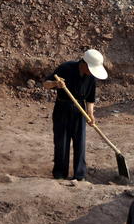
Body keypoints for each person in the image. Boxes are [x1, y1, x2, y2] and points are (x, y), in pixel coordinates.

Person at [43, 49, 108, 181]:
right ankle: (60, 174)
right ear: (84, 64)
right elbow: (45, 84)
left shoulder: (91, 77)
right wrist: (56, 84)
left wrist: (90, 114)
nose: (91, 72)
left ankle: (79, 175)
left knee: (80, 142)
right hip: (62, 108)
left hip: (80, 110)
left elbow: (90, 98)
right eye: (91, 69)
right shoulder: (65, 68)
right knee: (62, 142)